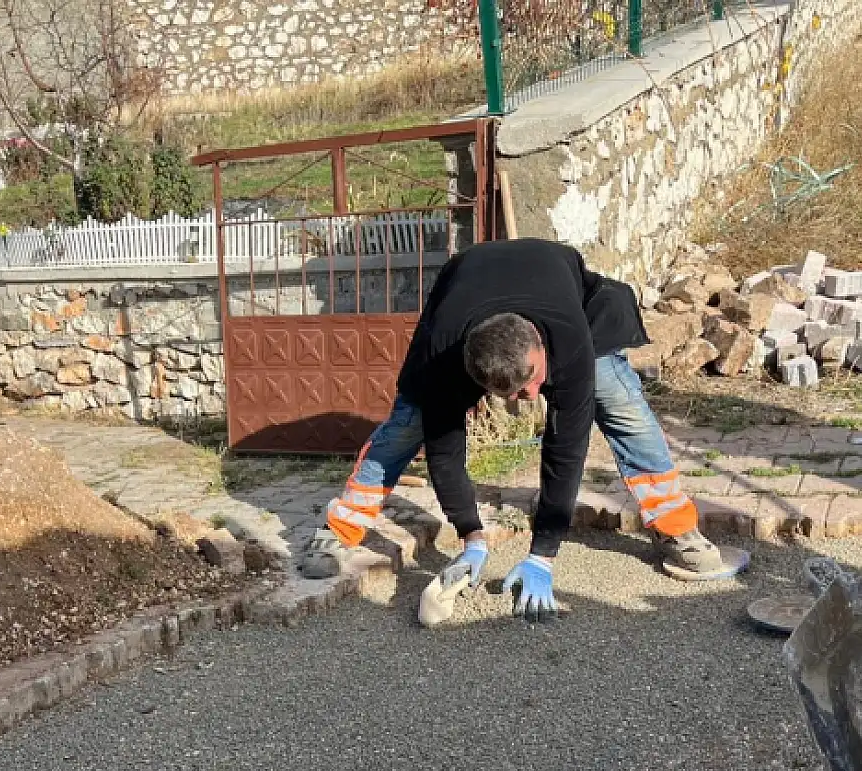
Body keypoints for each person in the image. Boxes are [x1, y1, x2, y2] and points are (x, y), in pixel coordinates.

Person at [301, 238, 747, 619]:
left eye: (531, 383)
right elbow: (444, 450)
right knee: (406, 426)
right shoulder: (442, 361)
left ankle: (677, 530)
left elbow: (565, 449)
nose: (530, 397)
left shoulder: (570, 340)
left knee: (623, 410)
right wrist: (472, 536)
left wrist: (543, 555)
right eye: (512, 394)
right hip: (461, 295)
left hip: (560, 286)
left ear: (540, 352)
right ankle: (340, 529)